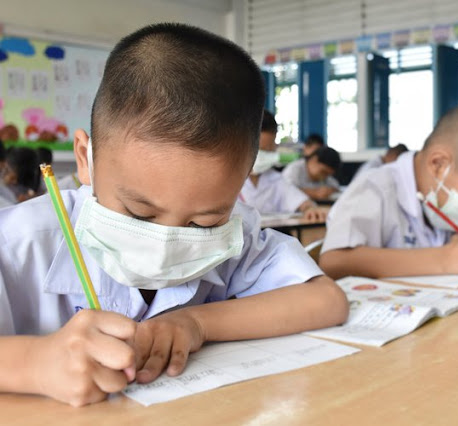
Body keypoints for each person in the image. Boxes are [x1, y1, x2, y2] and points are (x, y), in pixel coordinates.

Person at [0, 23, 348, 407]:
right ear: (86, 159)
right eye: (138, 213)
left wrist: (196, 323)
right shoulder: (18, 242)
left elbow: (325, 299)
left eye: (201, 224)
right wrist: (34, 363)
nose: (164, 245)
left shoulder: (234, 235)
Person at [319, 104, 458, 279]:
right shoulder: (374, 188)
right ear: (438, 164)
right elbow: (333, 261)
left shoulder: (449, 196)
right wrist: (445, 259)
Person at [240, 110, 327, 221]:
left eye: (270, 149)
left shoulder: (275, 179)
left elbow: (302, 202)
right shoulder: (230, 180)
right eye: (261, 149)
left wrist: (310, 208)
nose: (266, 154)